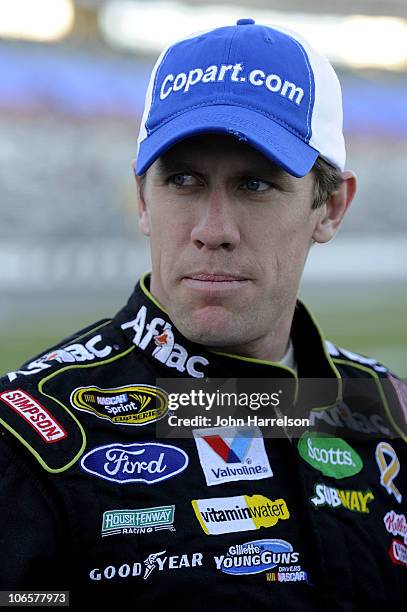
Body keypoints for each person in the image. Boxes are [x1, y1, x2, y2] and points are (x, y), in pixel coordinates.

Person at [0, 18, 406, 610]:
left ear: (331, 207)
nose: (212, 231)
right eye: (183, 180)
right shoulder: (28, 444)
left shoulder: (388, 411)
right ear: (142, 199)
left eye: (256, 185)